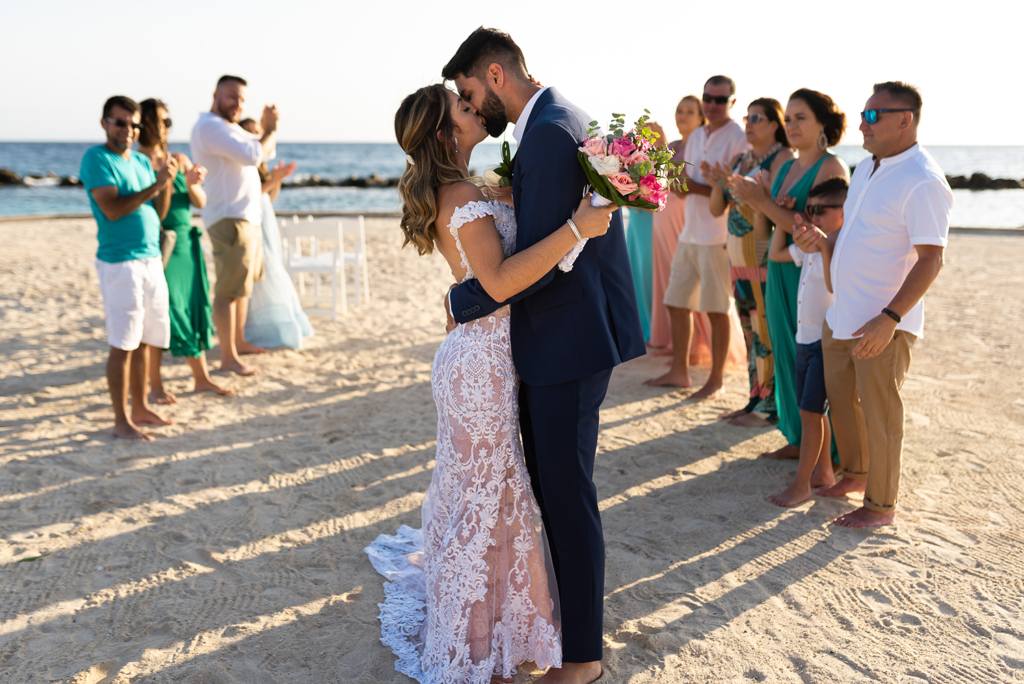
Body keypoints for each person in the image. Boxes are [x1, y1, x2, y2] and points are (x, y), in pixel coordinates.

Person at [364, 76, 620, 682]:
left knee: (497, 494)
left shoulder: (471, 187)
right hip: (479, 366)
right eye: (462, 104)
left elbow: (489, 272)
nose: (474, 106)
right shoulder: (456, 196)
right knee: (484, 497)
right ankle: (473, 636)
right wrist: (579, 227)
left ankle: (504, 622)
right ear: (445, 129)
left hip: (489, 356)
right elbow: (500, 281)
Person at [449, 28, 644, 684]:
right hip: (567, 334)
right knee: (558, 490)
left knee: (566, 496)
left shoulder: (551, 134)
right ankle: (569, 629)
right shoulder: (554, 122)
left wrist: (465, 301)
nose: (476, 107)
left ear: (497, 74)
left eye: (473, 92)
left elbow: (533, 264)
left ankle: (585, 658)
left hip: (568, 339)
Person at [800, 82, 951, 528]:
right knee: (844, 405)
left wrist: (889, 318)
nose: (863, 123)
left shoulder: (923, 180)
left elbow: (932, 259)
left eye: (873, 116)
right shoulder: (865, 167)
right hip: (841, 314)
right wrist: (824, 243)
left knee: (882, 415)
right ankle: (856, 474)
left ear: (905, 120)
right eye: (863, 114)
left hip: (883, 323)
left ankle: (880, 505)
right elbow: (861, 237)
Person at [727, 89, 848, 459]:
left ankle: (830, 452)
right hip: (778, 269)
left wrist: (760, 201)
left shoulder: (831, 167)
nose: (792, 126)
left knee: (813, 361)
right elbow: (769, 232)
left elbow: (815, 230)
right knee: (785, 354)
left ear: (823, 124)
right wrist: (758, 204)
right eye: (790, 118)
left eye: (801, 118)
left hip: (809, 274)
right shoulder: (786, 167)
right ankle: (797, 441)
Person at [80, 95, 178, 441]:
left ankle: (140, 407)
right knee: (123, 343)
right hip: (121, 262)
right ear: (105, 123)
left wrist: (167, 178)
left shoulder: (138, 160)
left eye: (133, 124)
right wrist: (155, 183)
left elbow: (158, 208)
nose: (128, 130)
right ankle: (121, 420)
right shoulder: (96, 158)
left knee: (147, 340)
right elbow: (112, 208)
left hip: (151, 258)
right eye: (120, 122)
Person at [645, 76, 749, 399]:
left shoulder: (738, 139)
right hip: (688, 234)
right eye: (709, 98)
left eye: (721, 99)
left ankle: (715, 380)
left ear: (732, 102)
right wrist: (677, 184)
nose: (713, 105)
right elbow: (682, 179)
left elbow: (739, 194)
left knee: (718, 310)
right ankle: (679, 372)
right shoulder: (696, 136)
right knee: (676, 302)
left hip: (717, 237)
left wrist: (696, 188)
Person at [137, 98, 234, 399]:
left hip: (187, 243)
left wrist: (191, 183)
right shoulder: (139, 162)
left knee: (193, 309)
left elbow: (200, 202)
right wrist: (164, 180)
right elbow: (153, 212)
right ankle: (155, 386)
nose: (166, 127)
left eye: (168, 122)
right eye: (161, 121)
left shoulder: (179, 157)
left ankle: (201, 378)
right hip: (161, 242)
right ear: (146, 124)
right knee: (163, 311)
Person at [705, 99, 793, 428]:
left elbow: (773, 209)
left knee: (766, 331)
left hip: (763, 254)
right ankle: (754, 398)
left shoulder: (783, 159)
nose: (749, 123)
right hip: (737, 256)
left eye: (757, 118)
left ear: (775, 124)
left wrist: (743, 188)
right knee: (748, 332)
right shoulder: (741, 159)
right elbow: (717, 209)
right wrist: (720, 183)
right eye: (747, 117)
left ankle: (770, 407)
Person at [766, 177, 848, 505]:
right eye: (810, 210)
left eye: (821, 211)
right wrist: (787, 222)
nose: (813, 217)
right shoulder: (808, 247)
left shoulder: (840, 247)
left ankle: (801, 485)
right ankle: (824, 472)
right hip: (804, 339)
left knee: (811, 413)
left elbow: (833, 284)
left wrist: (825, 245)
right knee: (812, 413)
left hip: (823, 344)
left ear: (845, 211)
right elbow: (774, 254)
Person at [190, 75, 279, 375]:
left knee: (242, 288)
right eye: (231, 96)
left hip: (246, 216)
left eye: (241, 99)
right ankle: (228, 357)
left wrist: (267, 132)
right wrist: (269, 130)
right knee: (228, 291)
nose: (237, 103)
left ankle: (239, 342)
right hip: (229, 217)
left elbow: (267, 150)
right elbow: (256, 154)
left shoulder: (228, 129)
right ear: (215, 94)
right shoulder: (209, 127)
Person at [238, 118, 312, 350]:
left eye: (257, 133)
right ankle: (261, 329)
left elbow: (267, 197)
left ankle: (281, 325)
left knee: (272, 267)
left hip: (266, 219)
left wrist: (275, 180)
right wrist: (273, 180)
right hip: (253, 222)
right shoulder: (241, 165)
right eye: (249, 133)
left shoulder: (259, 165)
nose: (255, 137)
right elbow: (250, 195)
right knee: (263, 271)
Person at [649, 95, 703, 353]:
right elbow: (655, 182)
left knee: (683, 280)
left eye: (689, 112)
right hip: (662, 216)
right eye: (680, 110)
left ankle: (694, 343)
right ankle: (671, 338)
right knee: (666, 277)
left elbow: (682, 186)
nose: (682, 115)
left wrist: (660, 146)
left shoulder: (699, 146)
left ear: (701, 117)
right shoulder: (672, 144)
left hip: (682, 218)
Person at [623, 119, 666, 341]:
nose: (648, 135)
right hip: (635, 223)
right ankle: (641, 327)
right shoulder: (634, 160)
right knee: (635, 273)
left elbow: (661, 200)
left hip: (651, 224)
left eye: (653, 132)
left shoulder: (664, 163)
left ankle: (654, 328)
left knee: (650, 274)